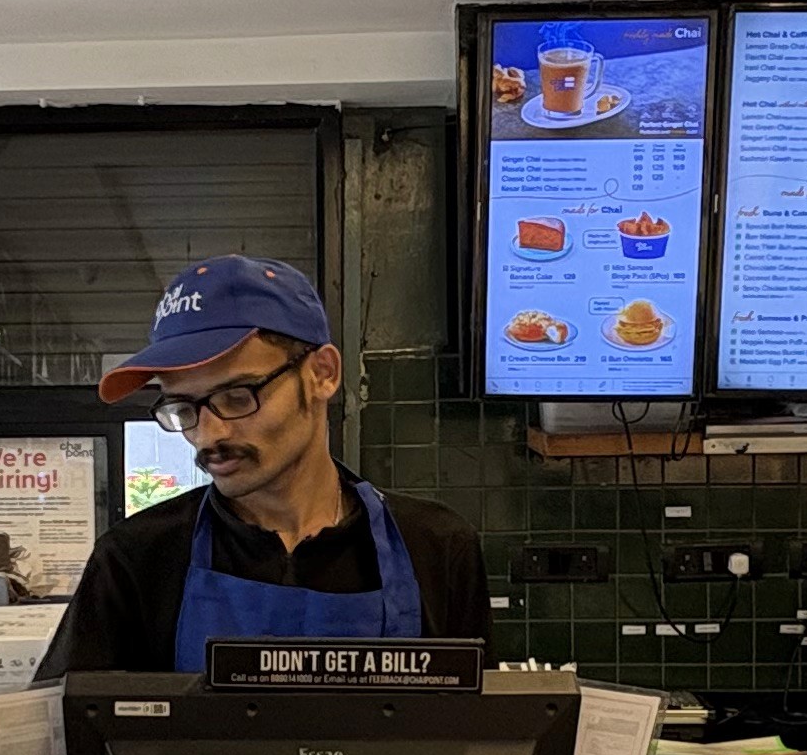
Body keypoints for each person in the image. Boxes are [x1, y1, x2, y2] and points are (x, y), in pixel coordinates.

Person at [38, 257, 488, 680]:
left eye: (237, 397)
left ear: (322, 375)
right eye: (183, 407)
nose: (209, 435)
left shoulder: (437, 549)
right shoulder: (138, 558)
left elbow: (479, 739)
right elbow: (69, 743)